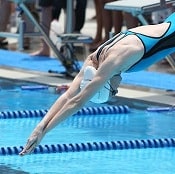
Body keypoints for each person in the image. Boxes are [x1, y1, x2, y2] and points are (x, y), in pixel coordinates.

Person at [19, 12, 175, 156]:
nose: (116, 91)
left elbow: (77, 101)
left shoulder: (115, 61)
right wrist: (39, 128)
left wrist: (45, 132)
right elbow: (68, 95)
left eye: (113, 91)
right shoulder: (96, 57)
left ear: (105, 82)